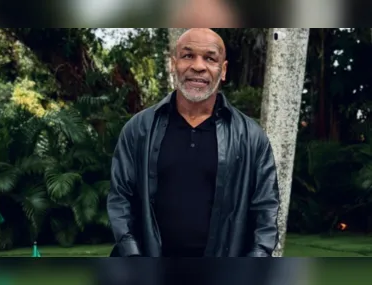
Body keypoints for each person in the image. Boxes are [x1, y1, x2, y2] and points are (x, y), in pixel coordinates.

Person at [107, 28, 280, 257]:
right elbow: (121, 200)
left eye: (210, 58)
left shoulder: (251, 136)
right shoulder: (138, 129)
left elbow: (265, 212)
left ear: (223, 70)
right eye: (188, 55)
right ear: (173, 64)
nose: (198, 66)